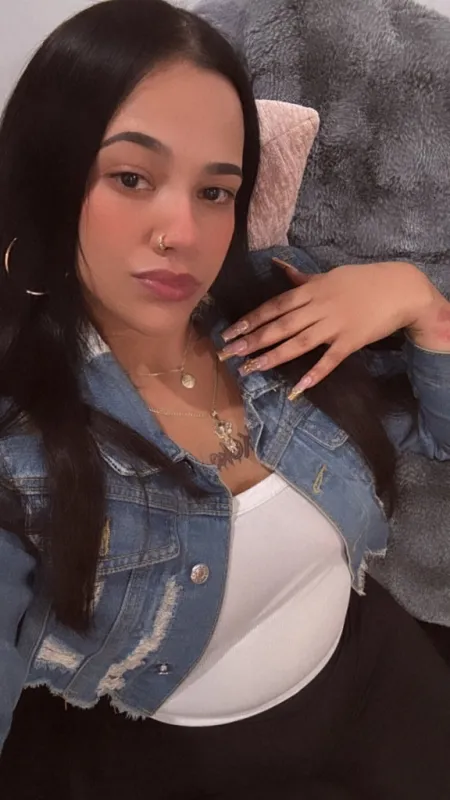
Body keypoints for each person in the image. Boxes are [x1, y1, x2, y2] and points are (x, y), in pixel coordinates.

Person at [0, 1, 450, 798]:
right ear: (48, 178)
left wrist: (424, 305)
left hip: (381, 674)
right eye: (131, 178)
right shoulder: (21, 444)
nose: (183, 232)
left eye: (215, 191)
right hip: (184, 759)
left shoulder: (281, 307)